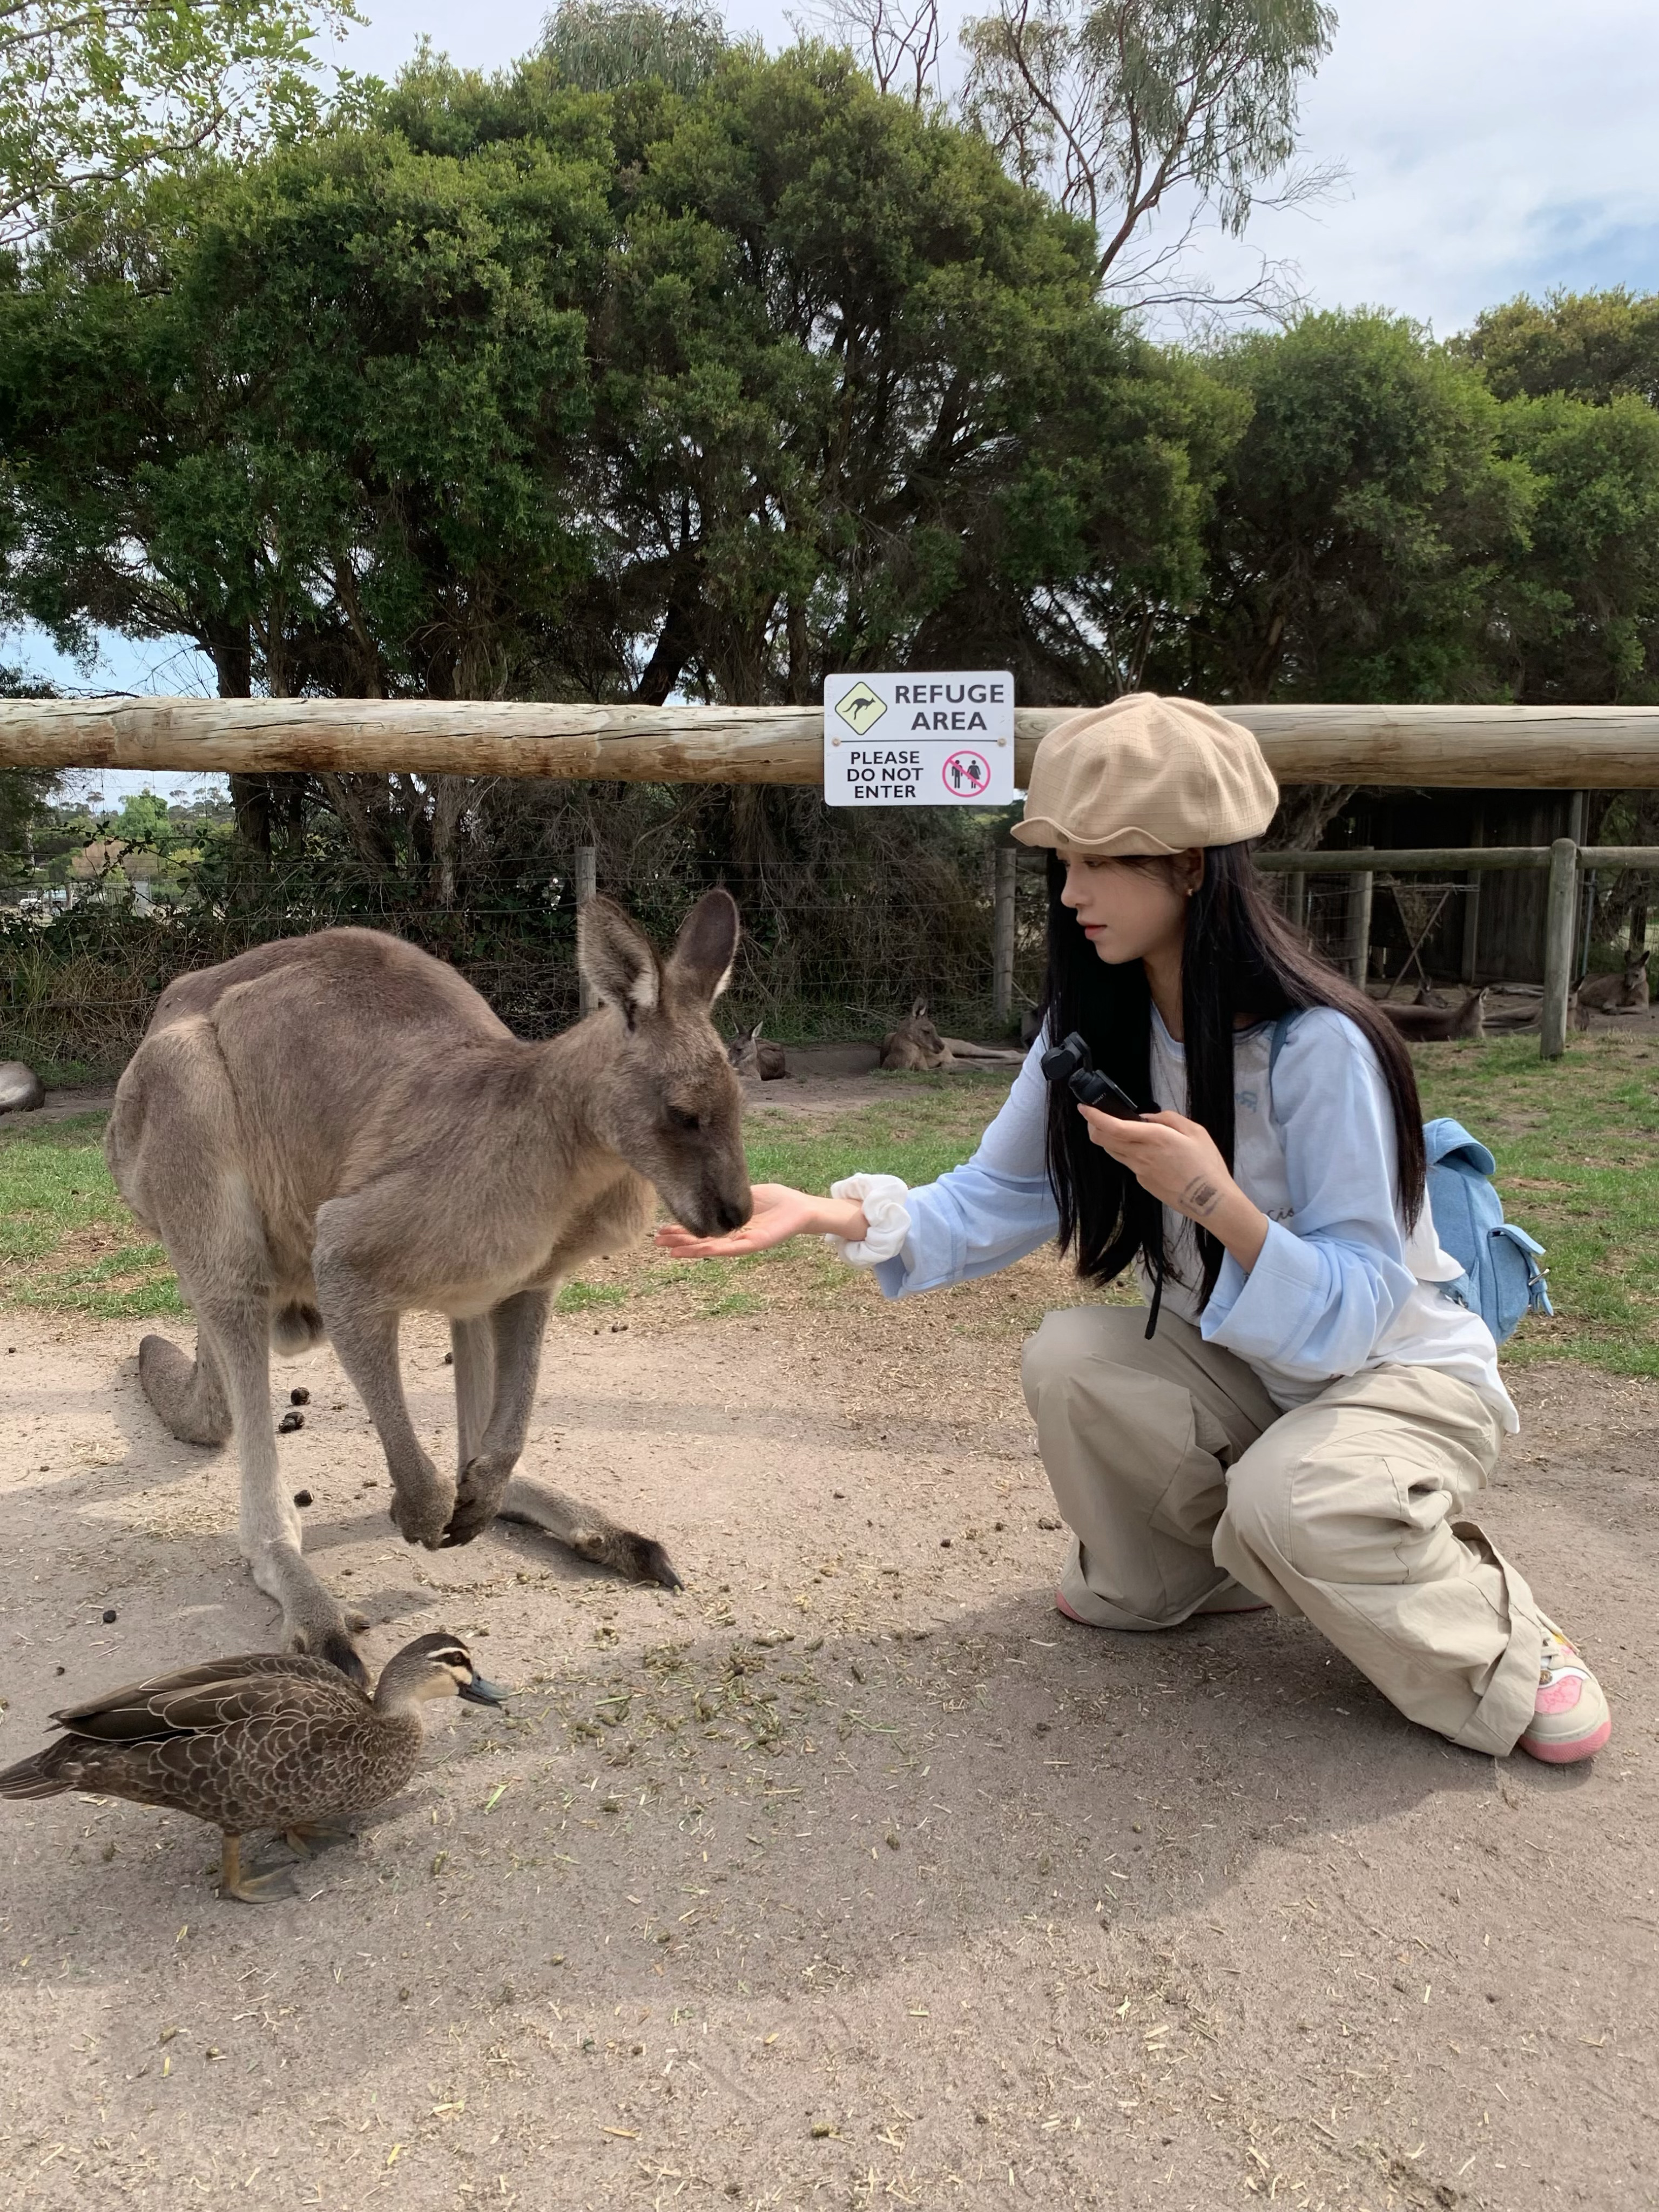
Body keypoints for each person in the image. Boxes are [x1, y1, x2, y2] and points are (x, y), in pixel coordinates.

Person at [659, 693, 1611, 1765]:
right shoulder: (1092, 1021)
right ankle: (1183, 1575)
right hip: (1259, 1364)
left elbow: (1360, 1307)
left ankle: (1500, 1638)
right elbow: (994, 1195)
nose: (1071, 892)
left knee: (1286, 1503)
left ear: (1194, 866)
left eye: (1102, 860)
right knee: (1071, 1357)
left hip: (1397, 1374)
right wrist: (820, 1210)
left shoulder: (1322, 1046)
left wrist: (1216, 1200)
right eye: (1064, 860)